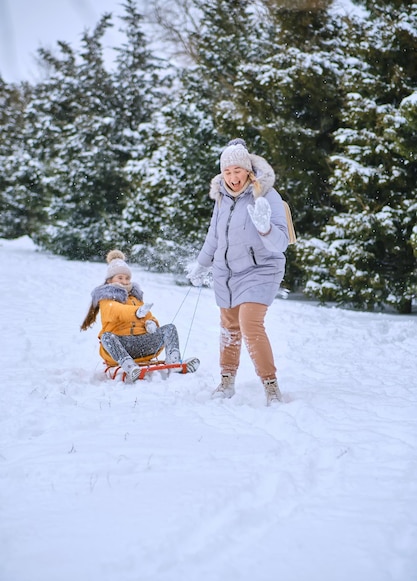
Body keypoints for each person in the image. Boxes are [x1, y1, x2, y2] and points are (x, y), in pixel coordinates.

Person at [187, 139, 289, 405]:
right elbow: (214, 235)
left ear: (248, 171)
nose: (232, 177)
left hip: (261, 270)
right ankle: (226, 381)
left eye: (238, 170)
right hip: (228, 273)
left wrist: (265, 227)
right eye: (227, 171)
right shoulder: (221, 197)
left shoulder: (267, 196)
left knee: (250, 324)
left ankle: (271, 386)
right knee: (229, 327)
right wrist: (202, 263)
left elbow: (281, 244)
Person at [81, 249, 200, 383]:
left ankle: (174, 362)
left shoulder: (136, 298)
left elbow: (148, 315)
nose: (125, 281)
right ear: (109, 280)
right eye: (120, 278)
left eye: (127, 278)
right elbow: (117, 311)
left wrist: (151, 322)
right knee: (106, 337)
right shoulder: (106, 299)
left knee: (169, 328)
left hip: (143, 345)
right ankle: (129, 366)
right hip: (122, 345)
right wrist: (136, 313)